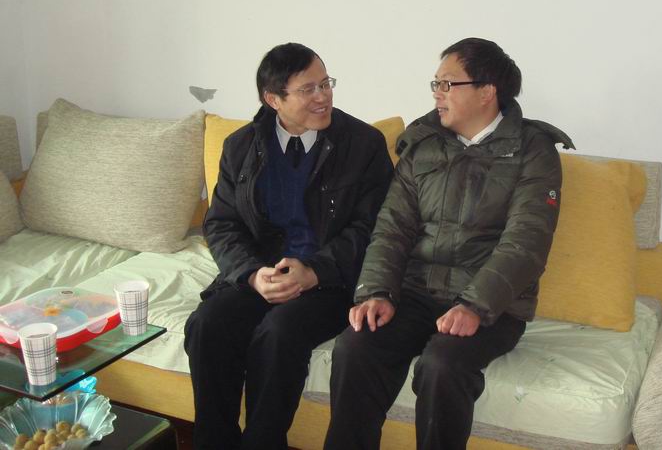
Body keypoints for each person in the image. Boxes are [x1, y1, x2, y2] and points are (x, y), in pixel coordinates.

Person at [324, 38, 574, 450]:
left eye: (447, 84)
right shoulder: (422, 144)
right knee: (356, 347)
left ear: (487, 91)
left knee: (442, 365)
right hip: (415, 293)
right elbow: (392, 228)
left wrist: (474, 305)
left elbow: (526, 242)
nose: (437, 94)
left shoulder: (533, 150)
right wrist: (376, 292)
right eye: (435, 84)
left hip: (493, 306)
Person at [184, 43, 394, 450]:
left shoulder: (363, 144)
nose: (323, 97)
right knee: (207, 324)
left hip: (330, 281)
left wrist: (314, 270)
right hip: (261, 274)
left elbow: (373, 228)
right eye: (308, 89)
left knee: (279, 332)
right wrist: (250, 274)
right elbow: (222, 224)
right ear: (273, 99)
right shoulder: (241, 146)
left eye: (326, 84)